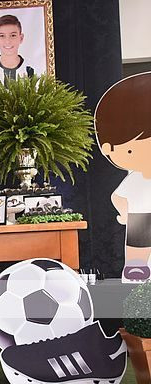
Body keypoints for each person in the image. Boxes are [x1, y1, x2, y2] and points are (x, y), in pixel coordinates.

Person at [95, 72, 151, 282]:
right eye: (131, 150)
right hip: (139, 218)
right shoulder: (134, 180)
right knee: (137, 245)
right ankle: (136, 266)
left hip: (139, 217)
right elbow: (117, 197)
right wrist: (125, 214)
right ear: (108, 148)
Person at [0, 15, 34, 89]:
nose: (7, 41)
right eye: (2, 36)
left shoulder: (29, 70)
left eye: (13, 35)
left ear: (21, 38)